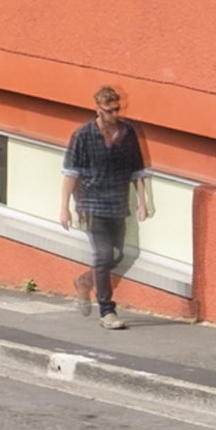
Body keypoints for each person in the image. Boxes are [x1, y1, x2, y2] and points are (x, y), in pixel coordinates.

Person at [60, 85, 153, 330]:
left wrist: (143, 202)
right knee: (102, 256)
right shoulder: (82, 135)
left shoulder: (128, 132)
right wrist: (64, 208)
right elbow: (71, 174)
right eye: (109, 110)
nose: (114, 114)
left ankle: (83, 281)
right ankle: (107, 311)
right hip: (91, 205)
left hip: (118, 203)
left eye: (116, 109)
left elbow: (137, 171)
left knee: (118, 255)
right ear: (97, 109)